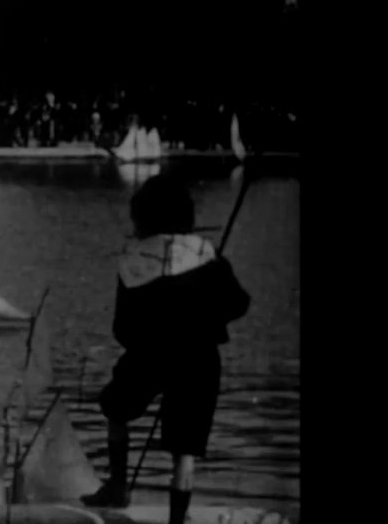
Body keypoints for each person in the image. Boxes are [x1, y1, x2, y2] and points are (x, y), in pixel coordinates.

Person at [81, 175, 250, 524]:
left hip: (149, 355)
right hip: (199, 358)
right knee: (184, 449)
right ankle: (177, 519)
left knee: (115, 407)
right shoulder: (206, 255)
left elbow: (122, 328)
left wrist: (149, 344)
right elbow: (238, 304)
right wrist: (208, 308)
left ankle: (117, 486)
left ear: (141, 217)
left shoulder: (133, 261)